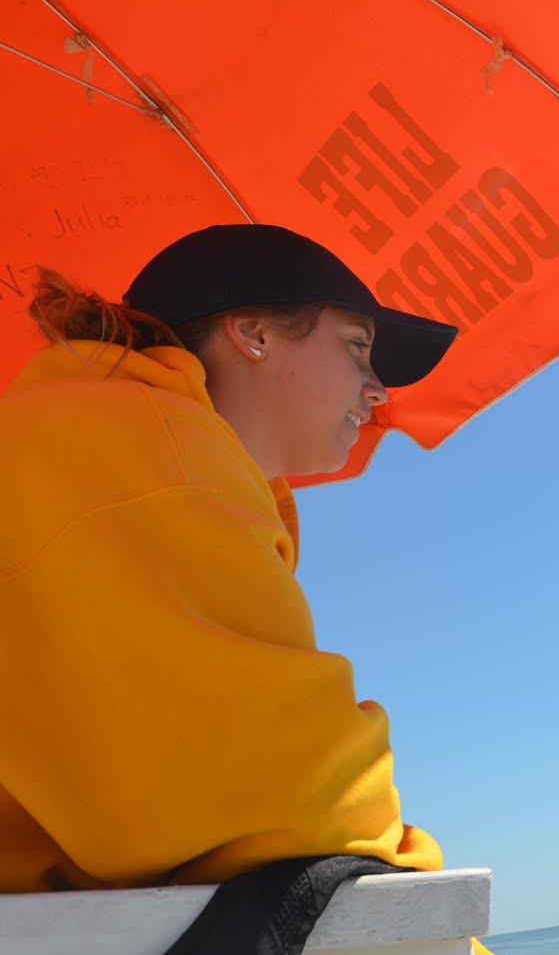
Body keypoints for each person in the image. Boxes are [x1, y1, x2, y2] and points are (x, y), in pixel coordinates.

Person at [0, 226, 466, 935]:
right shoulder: (150, 458)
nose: (378, 391)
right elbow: (295, 801)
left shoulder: (111, 435)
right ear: (252, 333)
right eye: (357, 348)